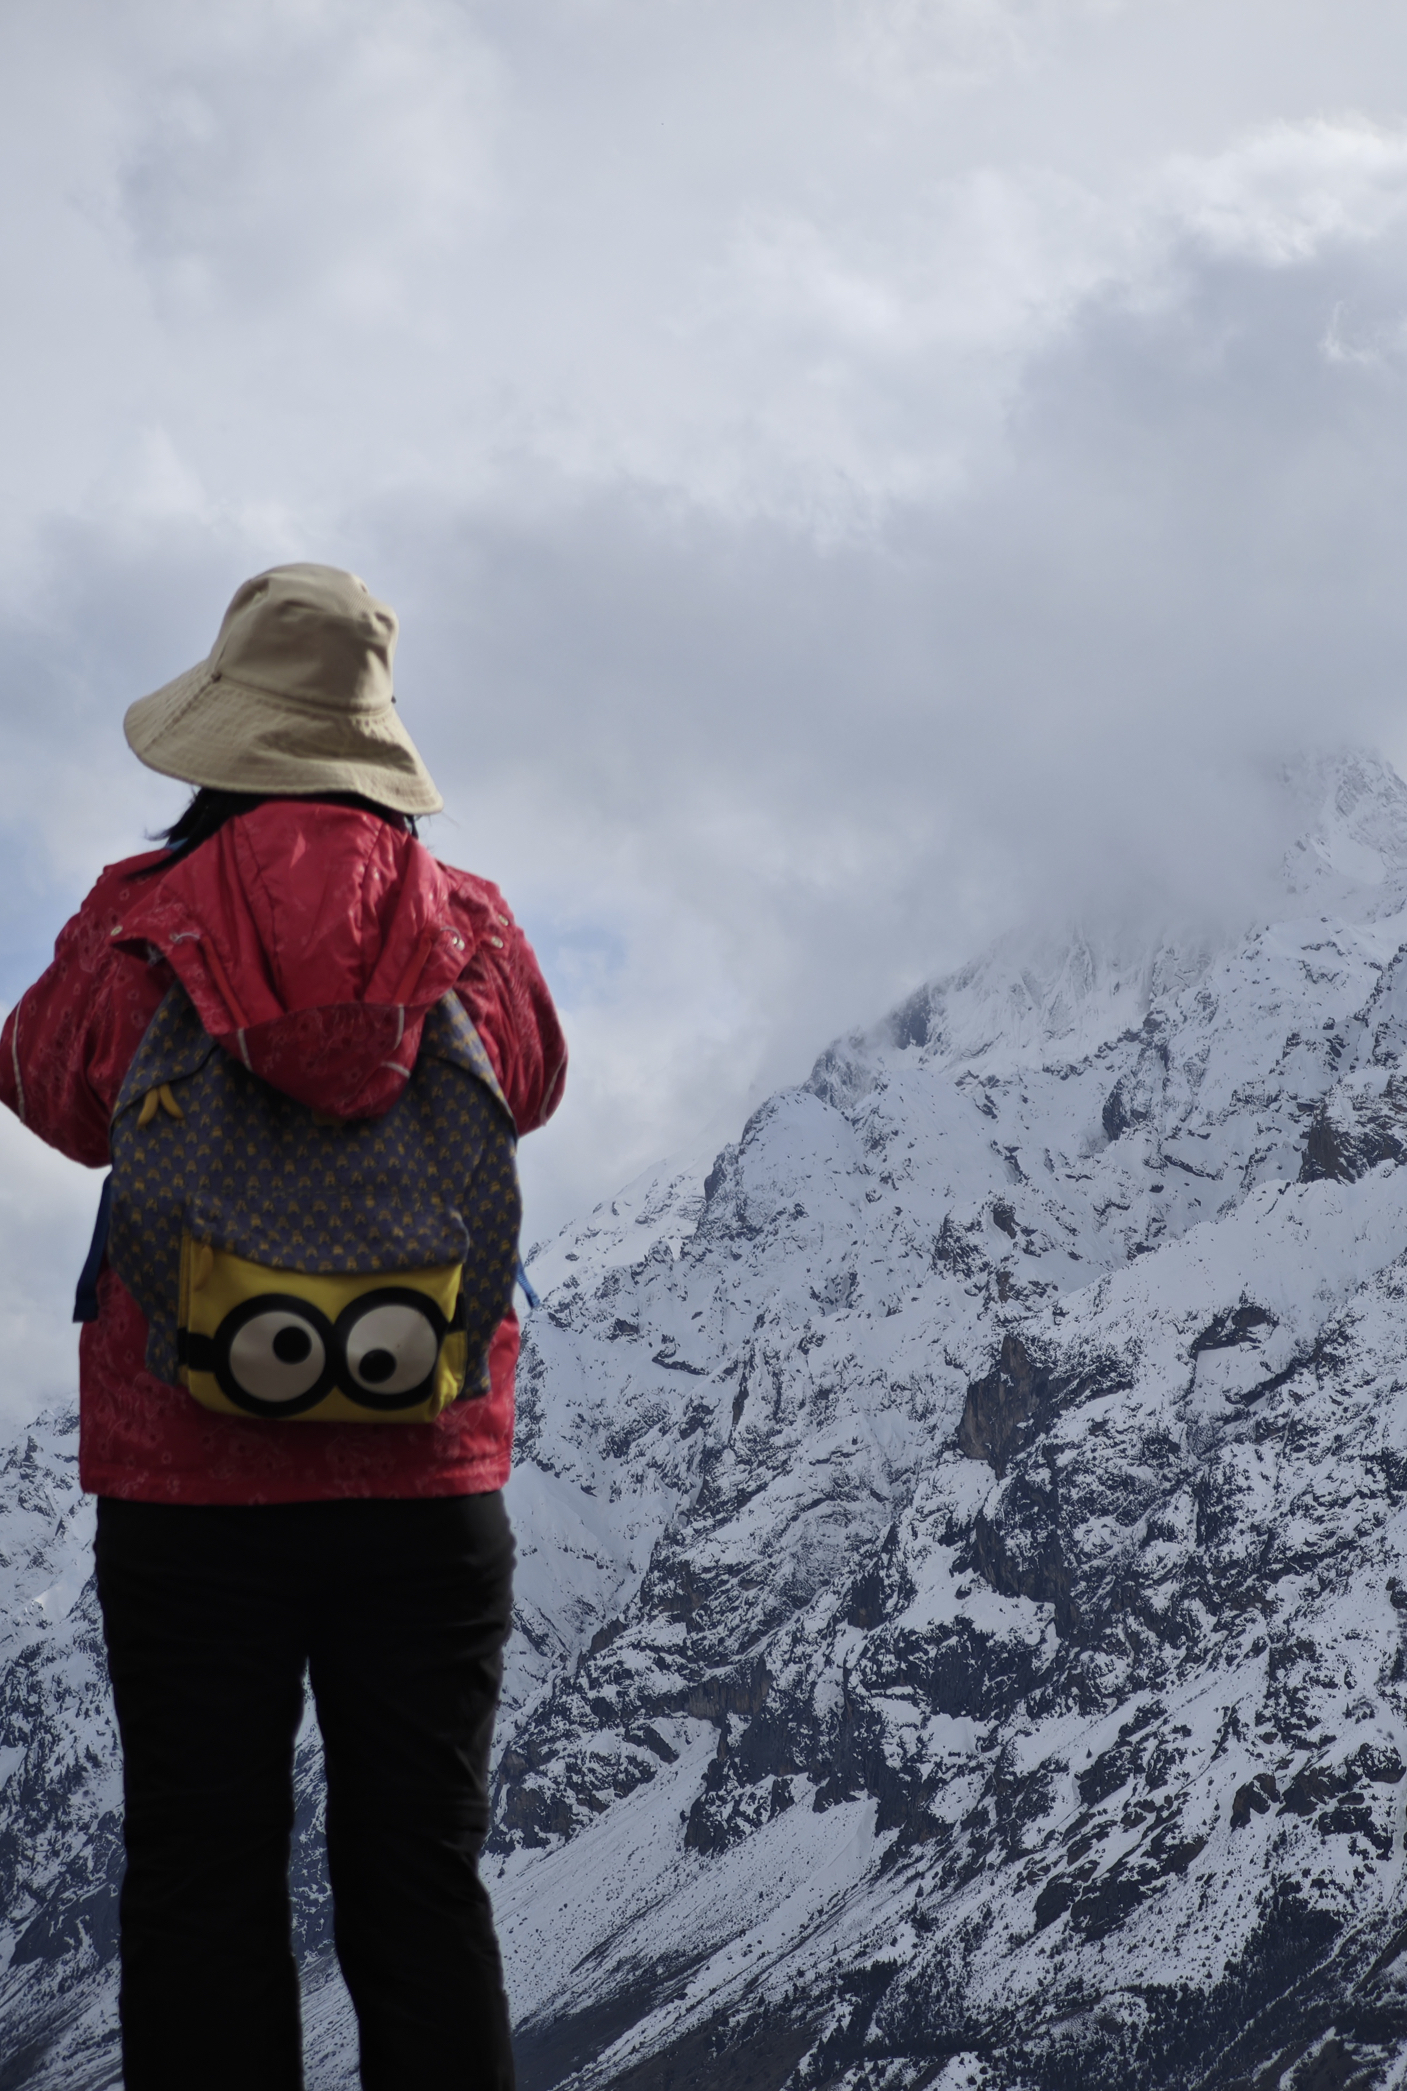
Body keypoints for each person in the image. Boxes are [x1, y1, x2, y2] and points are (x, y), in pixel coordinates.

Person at [0, 564, 566, 2090]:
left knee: (201, 1886)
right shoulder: (473, 926)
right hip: (428, 1471)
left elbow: (49, 1093)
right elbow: (534, 1087)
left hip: (188, 1485)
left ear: (225, 738)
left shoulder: (140, 920)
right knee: (424, 1892)